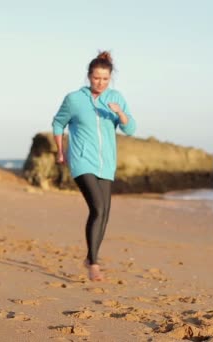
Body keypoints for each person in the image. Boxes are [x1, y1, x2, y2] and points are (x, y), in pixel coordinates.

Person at [52, 51, 136, 281]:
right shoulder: (74, 99)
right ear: (89, 76)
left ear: (110, 78)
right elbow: (58, 123)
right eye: (96, 78)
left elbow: (130, 129)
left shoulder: (116, 98)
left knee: (104, 214)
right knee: (98, 208)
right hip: (81, 160)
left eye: (105, 79)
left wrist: (119, 113)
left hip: (106, 163)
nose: (100, 83)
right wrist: (60, 151)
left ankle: (89, 257)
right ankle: (94, 263)